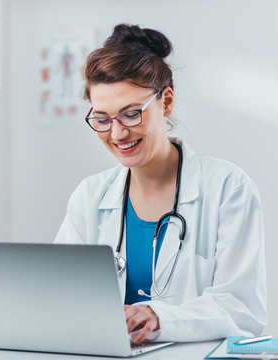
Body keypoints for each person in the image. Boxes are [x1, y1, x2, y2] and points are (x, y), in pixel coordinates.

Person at [54, 24, 267, 345]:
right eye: (102, 119)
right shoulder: (90, 195)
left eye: (131, 114)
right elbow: (57, 290)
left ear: (165, 103)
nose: (117, 134)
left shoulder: (227, 187)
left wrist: (158, 317)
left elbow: (242, 309)